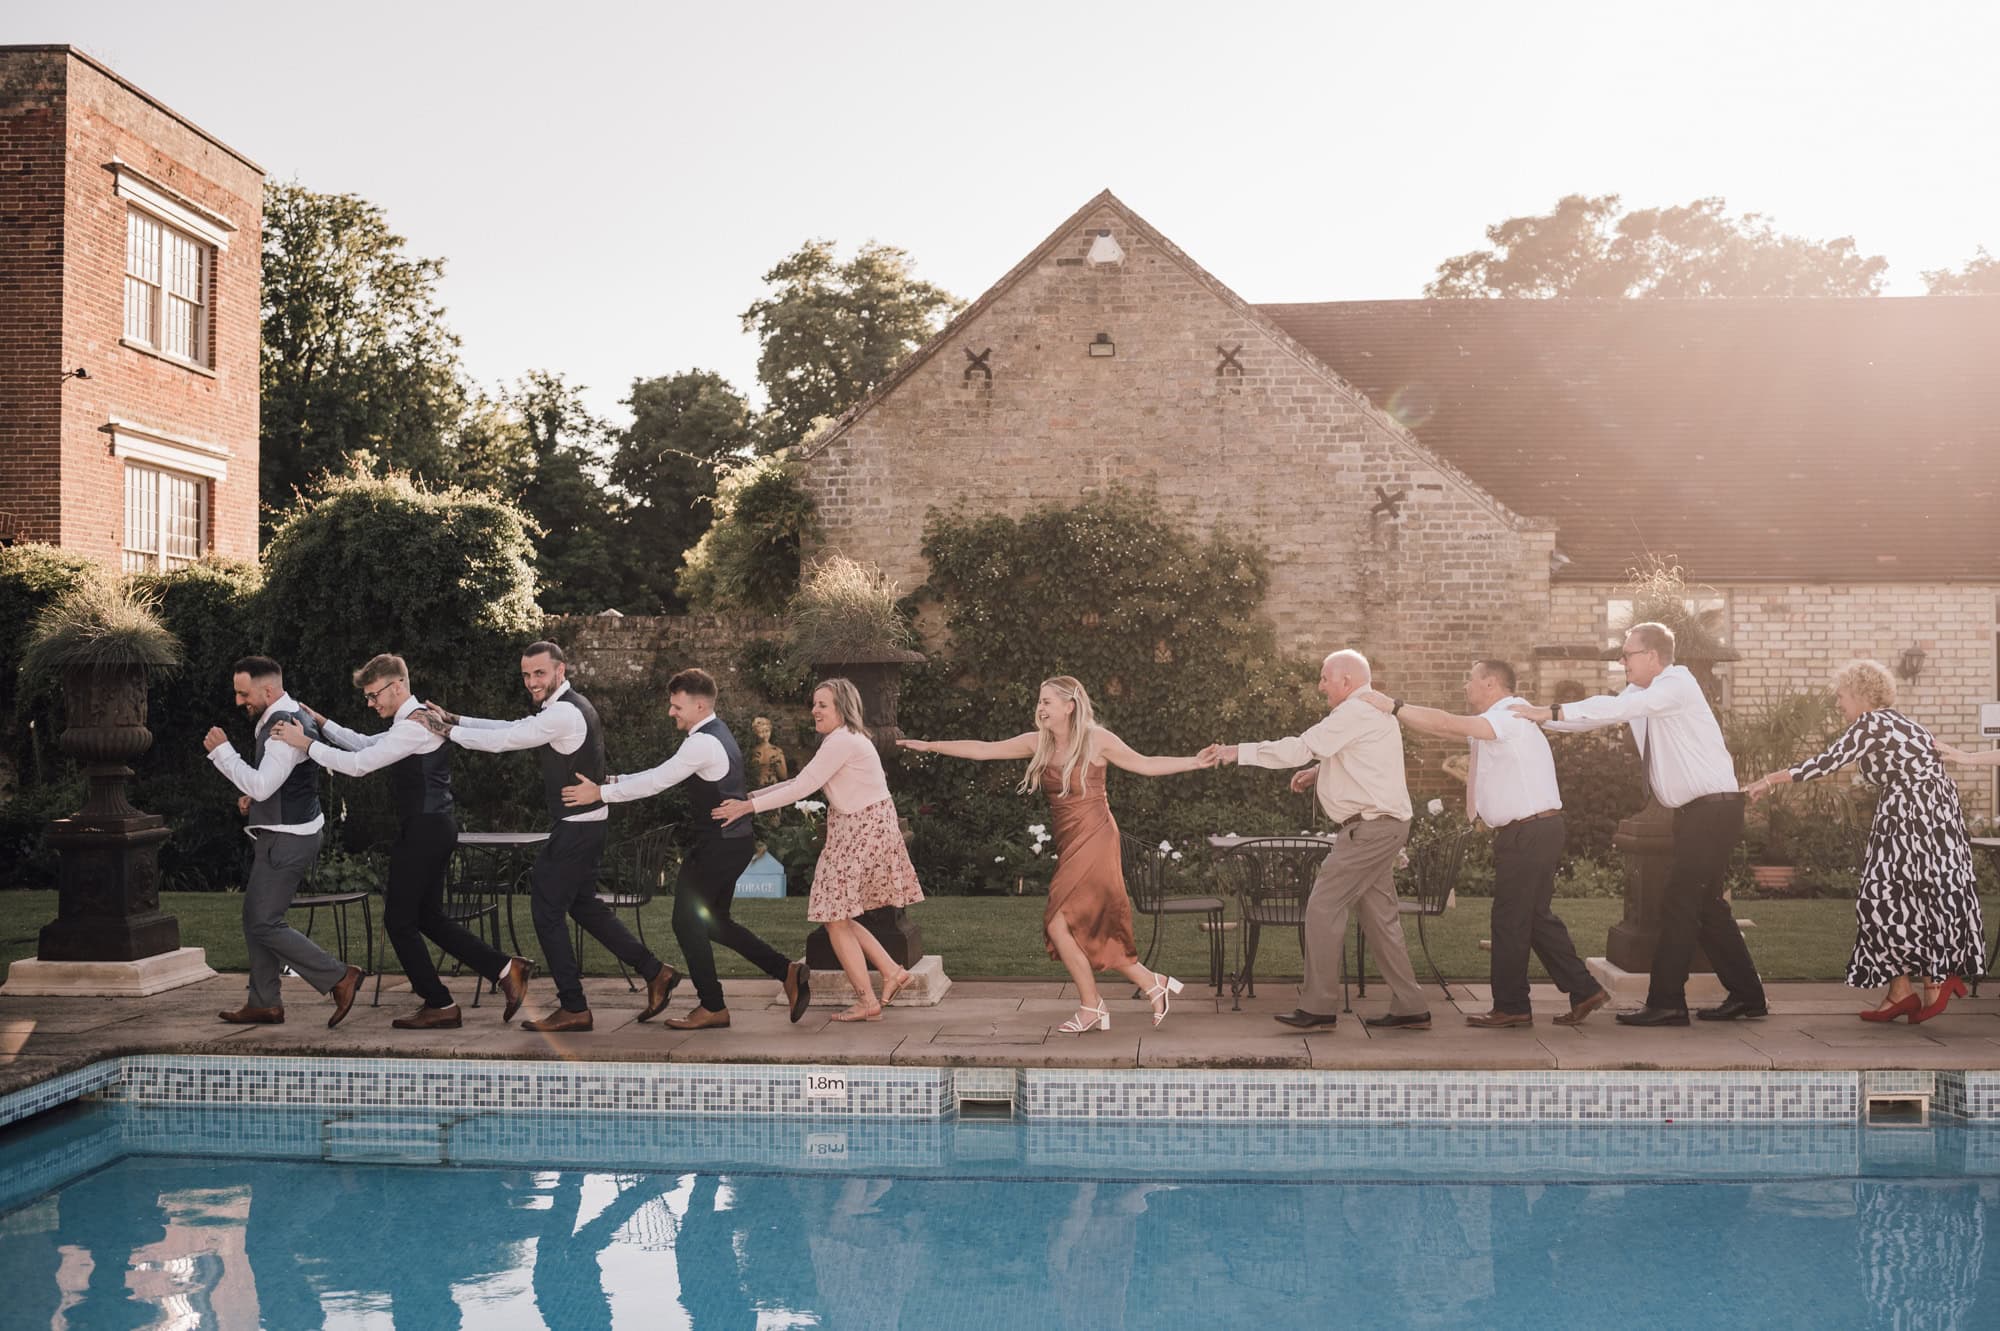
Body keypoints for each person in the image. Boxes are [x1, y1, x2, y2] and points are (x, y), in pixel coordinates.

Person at [898, 676, 1203, 1033]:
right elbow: (983, 749)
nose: (1040, 708)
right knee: (1079, 925)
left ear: (1069, 706)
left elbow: (1147, 765)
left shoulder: (1096, 739)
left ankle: (1096, 1005)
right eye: (1040, 702)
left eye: (1047, 702)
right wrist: (931, 746)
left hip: (1097, 836)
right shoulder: (1038, 743)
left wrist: (1195, 762)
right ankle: (1151, 983)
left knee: (1059, 923)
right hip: (1070, 840)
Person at [416, 641, 675, 1033]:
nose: (532, 681)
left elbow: (506, 741)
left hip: (578, 827)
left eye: (539, 673)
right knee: (583, 906)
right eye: (526, 674)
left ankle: (574, 1006)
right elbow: (514, 728)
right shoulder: (564, 708)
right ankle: (655, 972)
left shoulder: (565, 713)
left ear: (559, 670)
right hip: (585, 823)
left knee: (546, 909)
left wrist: (445, 731)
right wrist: (457, 720)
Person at [1517, 621, 1767, 1027]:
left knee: (1680, 902)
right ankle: (1748, 996)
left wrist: (1550, 711)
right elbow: (1600, 712)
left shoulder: (1677, 685)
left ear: (1653, 656)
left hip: (1713, 811)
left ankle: (1668, 1002)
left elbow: (1616, 709)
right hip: (1697, 814)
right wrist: (1539, 719)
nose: (1622, 661)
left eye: (1628, 653)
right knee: (1706, 905)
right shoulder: (1643, 693)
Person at [271, 653, 532, 1029]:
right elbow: (363, 744)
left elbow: (361, 765)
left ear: (398, 686)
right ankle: (507, 969)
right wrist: (323, 725)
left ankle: (439, 1003)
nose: (370, 702)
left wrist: (304, 743)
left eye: (374, 694)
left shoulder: (414, 727)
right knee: (428, 917)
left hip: (425, 830)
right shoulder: (409, 721)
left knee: (399, 920)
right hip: (432, 826)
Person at [1361, 659, 1609, 1027]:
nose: (1466, 687)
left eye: (1471, 680)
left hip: (1529, 832)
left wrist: (1394, 706)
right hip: (1533, 831)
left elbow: (1446, 722)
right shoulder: (1495, 723)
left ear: (1491, 684)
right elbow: (1452, 736)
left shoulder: (1508, 715)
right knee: (1535, 918)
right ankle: (1585, 990)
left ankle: (1512, 1007)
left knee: (1509, 920)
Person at [562, 667, 808, 1031]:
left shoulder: (702, 742)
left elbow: (658, 782)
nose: (670, 712)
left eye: (676, 706)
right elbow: (663, 772)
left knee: (686, 922)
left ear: (698, 704)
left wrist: (600, 793)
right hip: (732, 843)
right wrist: (612, 781)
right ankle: (786, 971)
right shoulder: (714, 733)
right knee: (716, 923)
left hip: (718, 847)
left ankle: (712, 1006)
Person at [1745, 659, 1984, 1022]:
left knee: (1884, 897)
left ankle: (1917, 987)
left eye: (1841, 696)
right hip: (1933, 816)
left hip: (1911, 816)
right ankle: (1918, 987)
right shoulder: (1902, 722)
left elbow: (1826, 762)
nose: (1839, 703)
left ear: (1860, 694)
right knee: (1912, 895)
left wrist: (1769, 780)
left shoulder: (1872, 722)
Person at [1203, 649, 1430, 1032]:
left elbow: (1299, 746)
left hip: (1370, 830)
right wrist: (1318, 771)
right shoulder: (1368, 712)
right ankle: (1410, 1005)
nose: (1320, 685)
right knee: (1379, 919)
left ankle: (1319, 1007)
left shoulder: (1355, 711)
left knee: (1323, 906)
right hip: (1384, 827)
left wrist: (1234, 752)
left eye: (1325, 677)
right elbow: (1361, 759)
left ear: (1347, 681)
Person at [714, 679, 924, 1022]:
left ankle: (867, 1000)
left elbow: (802, 787)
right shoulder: (843, 739)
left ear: (842, 707)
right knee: (837, 914)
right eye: (814, 704)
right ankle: (891, 972)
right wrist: (752, 798)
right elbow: (805, 779)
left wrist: (747, 809)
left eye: (822, 704)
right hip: (855, 828)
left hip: (860, 829)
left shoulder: (842, 741)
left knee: (833, 914)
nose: (814, 710)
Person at [202, 655, 363, 1027]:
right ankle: (264, 1002)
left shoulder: (283, 725)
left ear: (268, 690)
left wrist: (222, 752)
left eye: (244, 694)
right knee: (255, 917)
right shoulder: (278, 716)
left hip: (287, 839)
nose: (239, 701)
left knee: (264, 922)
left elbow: (262, 782)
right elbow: (273, 783)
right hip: (287, 832)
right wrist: (257, 799)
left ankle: (339, 977)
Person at [748, 715, 790, 786]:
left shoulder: (777, 751)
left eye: (767, 731)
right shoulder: (753, 751)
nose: (765, 735)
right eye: (761, 732)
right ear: (756, 733)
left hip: (773, 787)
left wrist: (777, 764)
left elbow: (784, 776)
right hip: (756, 787)